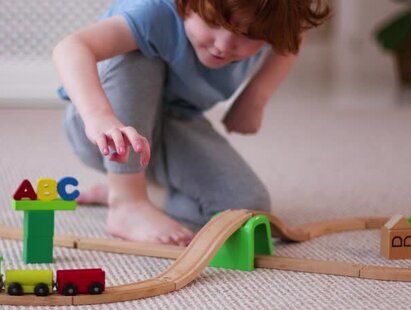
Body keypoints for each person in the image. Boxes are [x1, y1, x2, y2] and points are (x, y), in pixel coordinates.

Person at [52, 0, 331, 246]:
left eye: (247, 34)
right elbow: (71, 47)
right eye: (212, 22)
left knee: (247, 208)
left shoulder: (268, 16)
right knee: (134, 52)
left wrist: (256, 96)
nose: (223, 45)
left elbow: (294, 34)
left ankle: (134, 192)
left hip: (172, 125)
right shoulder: (155, 12)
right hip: (107, 135)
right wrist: (99, 116)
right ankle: (127, 198)